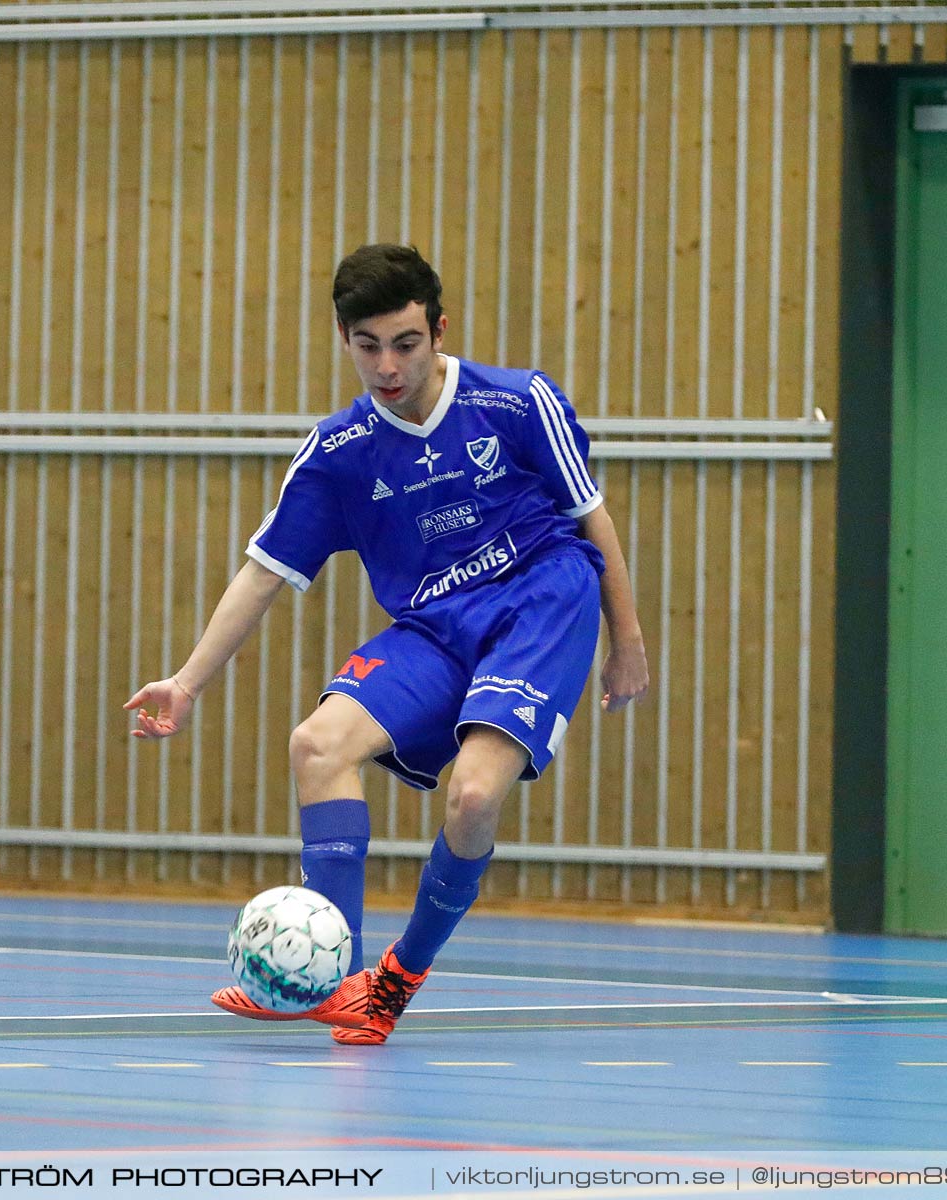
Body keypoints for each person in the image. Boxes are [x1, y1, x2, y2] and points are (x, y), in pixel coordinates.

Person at [127, 244, 648, 1044]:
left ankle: (397, 979)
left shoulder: (517, 402)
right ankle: (337, 983)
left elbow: (592, 517)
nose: (387, 365)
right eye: (367, 346)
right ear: (344, 339)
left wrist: (627, 641)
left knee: (474, 795)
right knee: (318, 745)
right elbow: (262, 573)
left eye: (405, 343)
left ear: (439, 331)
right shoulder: (338, 453)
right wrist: (189, 681)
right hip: (435, 626)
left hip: (540, 601)